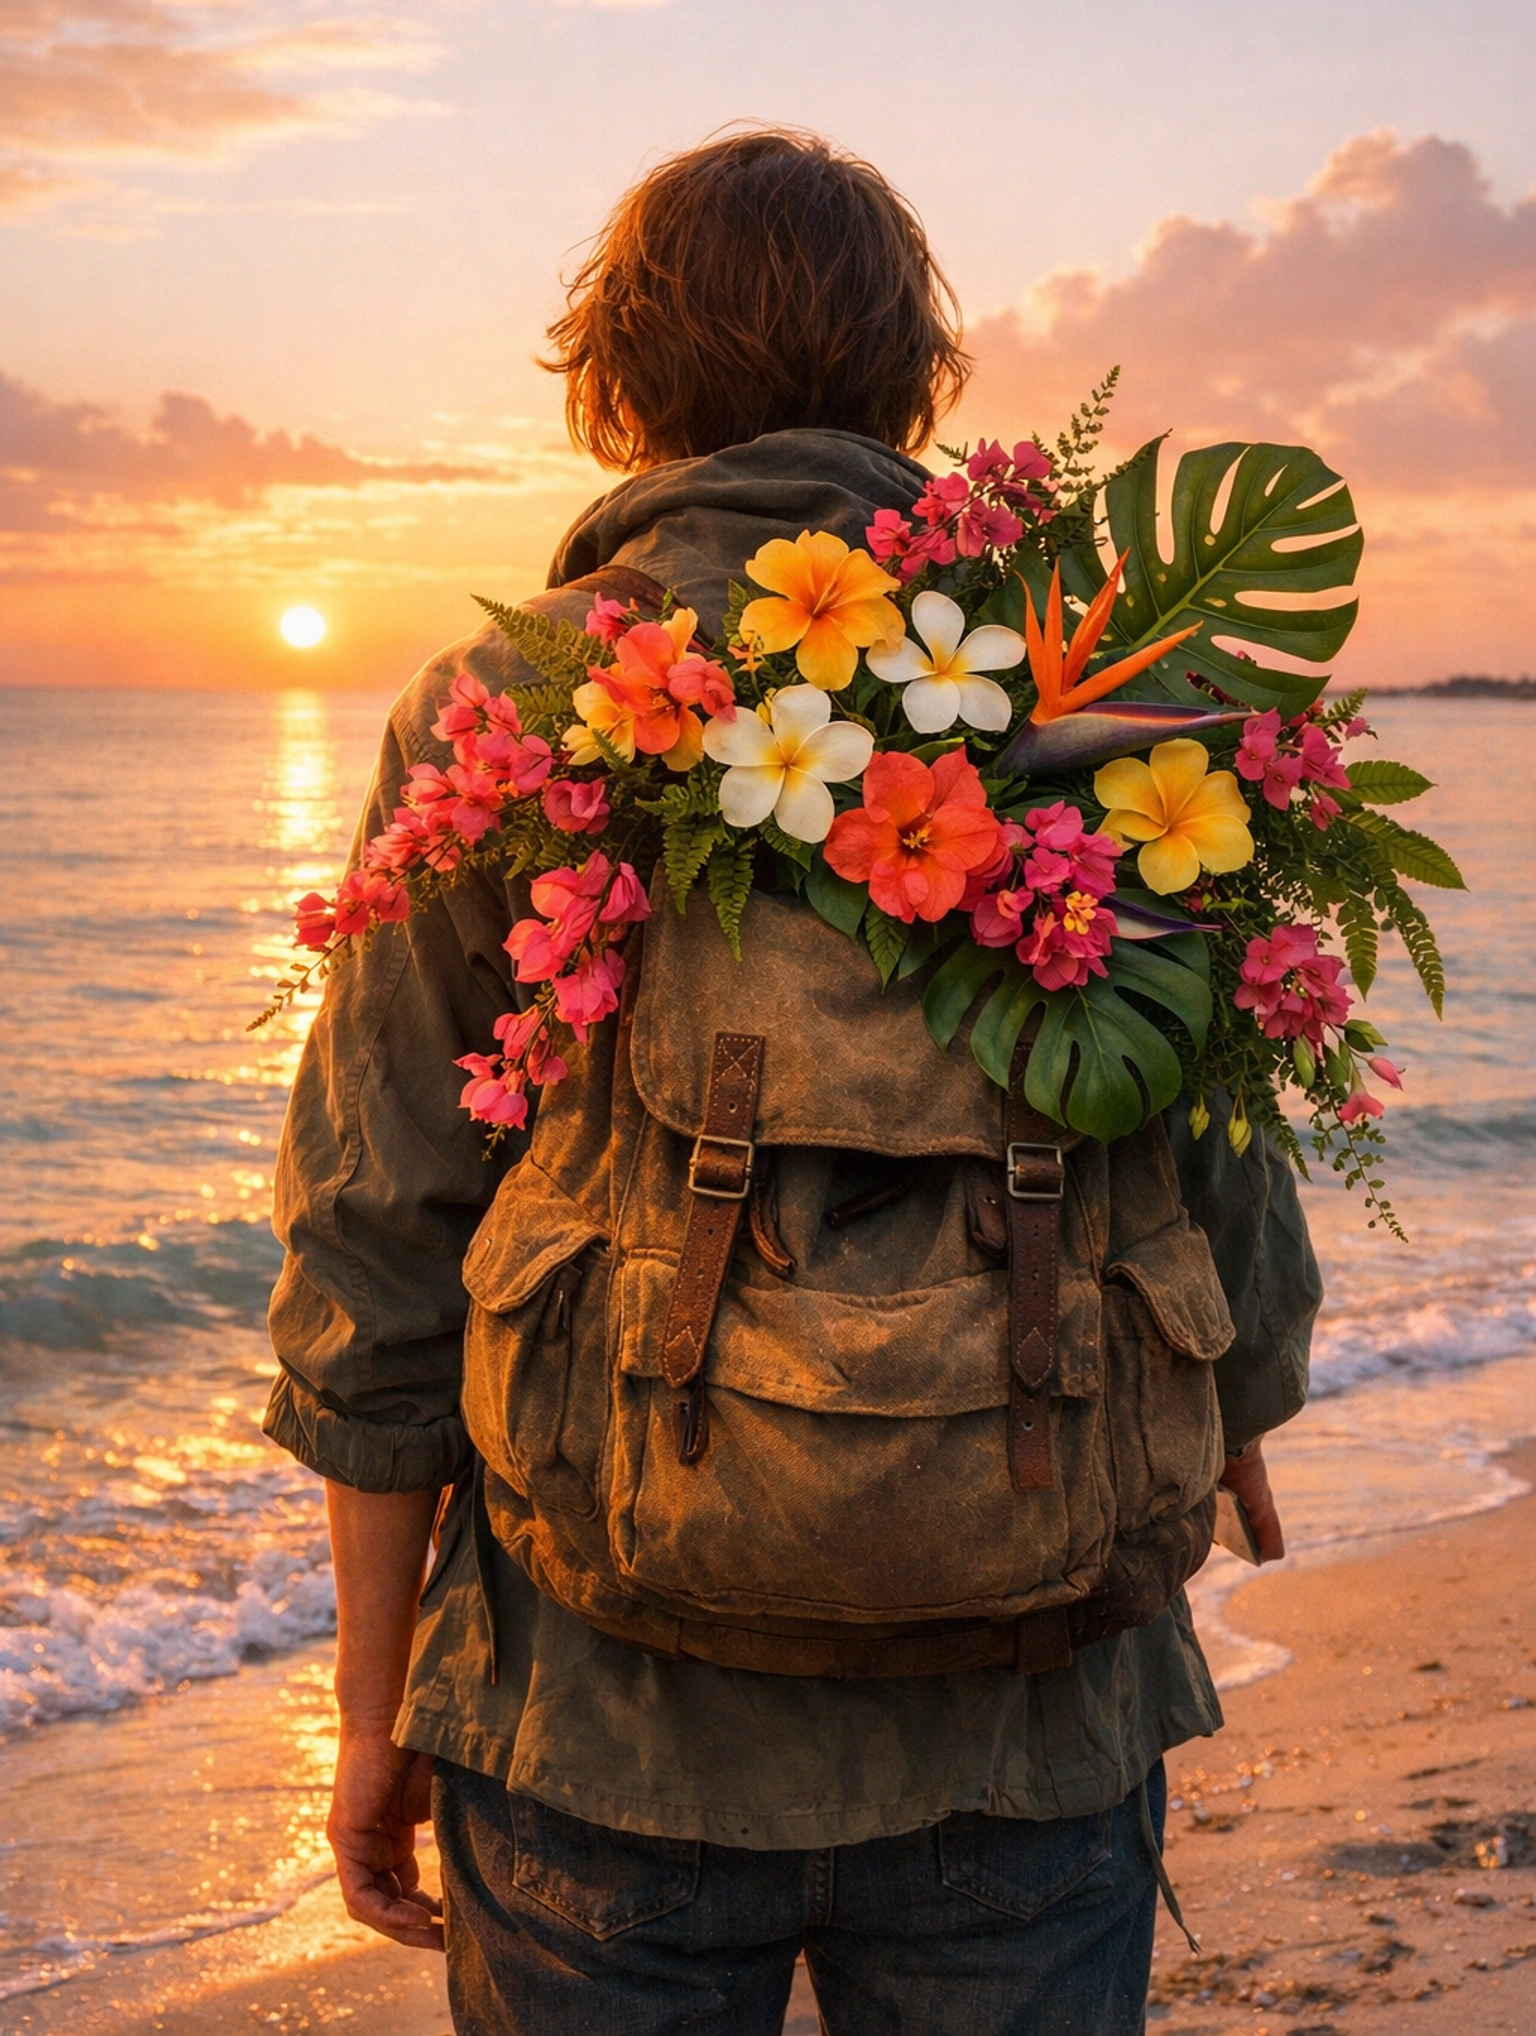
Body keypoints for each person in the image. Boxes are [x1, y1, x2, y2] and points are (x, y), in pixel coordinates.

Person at [265, 129, 1318, 2035]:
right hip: (1030, 1708)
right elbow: (1207, 1131)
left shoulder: (511, 703)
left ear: (622, 378)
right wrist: (1228, 1417)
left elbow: (380, 1236)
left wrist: (366, 1713)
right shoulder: (1088, 688)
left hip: (599, 1716)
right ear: (913, 370)